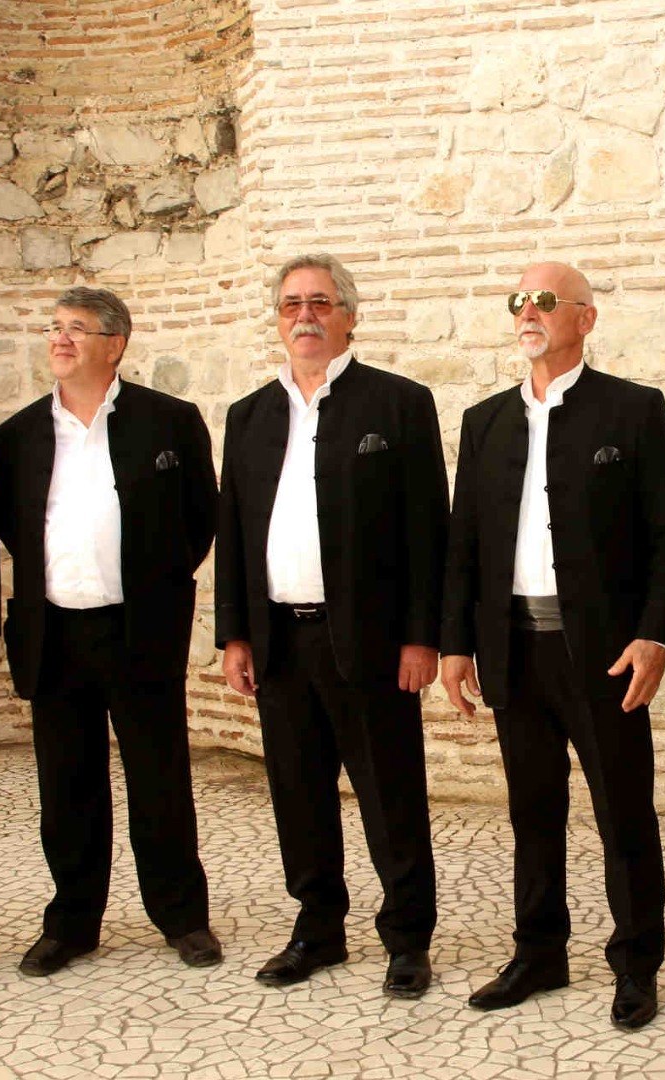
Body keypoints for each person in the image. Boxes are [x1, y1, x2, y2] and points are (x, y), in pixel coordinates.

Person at [440, 261, 665, 1030]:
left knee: (623, 812)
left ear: (585, 317)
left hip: (604, 652)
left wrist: (655, 635)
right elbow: (465, 541)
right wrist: (456, 644)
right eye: (519, 300)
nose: (529, 312)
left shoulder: (633, 410)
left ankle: (636, 965)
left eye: (545, 301)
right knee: (533, 812)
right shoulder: (484, 422)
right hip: (513, 648)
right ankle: (539, 953)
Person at [214, 254, 446, 997]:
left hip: (373, 642)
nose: (305, 316)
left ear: (349, 315)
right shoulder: (249, 416)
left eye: (320, 302)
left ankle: (407, 939)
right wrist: (235, 635)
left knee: (390, 795)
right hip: (279, 640)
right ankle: (317, 930)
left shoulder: (399, 404)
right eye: (291, 304)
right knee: (298, 795)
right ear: (278, 319)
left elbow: (427, 531)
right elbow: (234, 533)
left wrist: (422, 637)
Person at [0, 286, 221, 976]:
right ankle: (72, 923)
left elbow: (199, 520)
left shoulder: (170, 421)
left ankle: (182, 917)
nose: (60, 339)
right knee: (67, 787)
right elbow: (14, 527)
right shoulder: (18, 434)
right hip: (54, 633)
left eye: (78, 328)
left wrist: (153, 584)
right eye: (55, 327)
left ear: (116, 344)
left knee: (160, 779)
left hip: (140, 628)